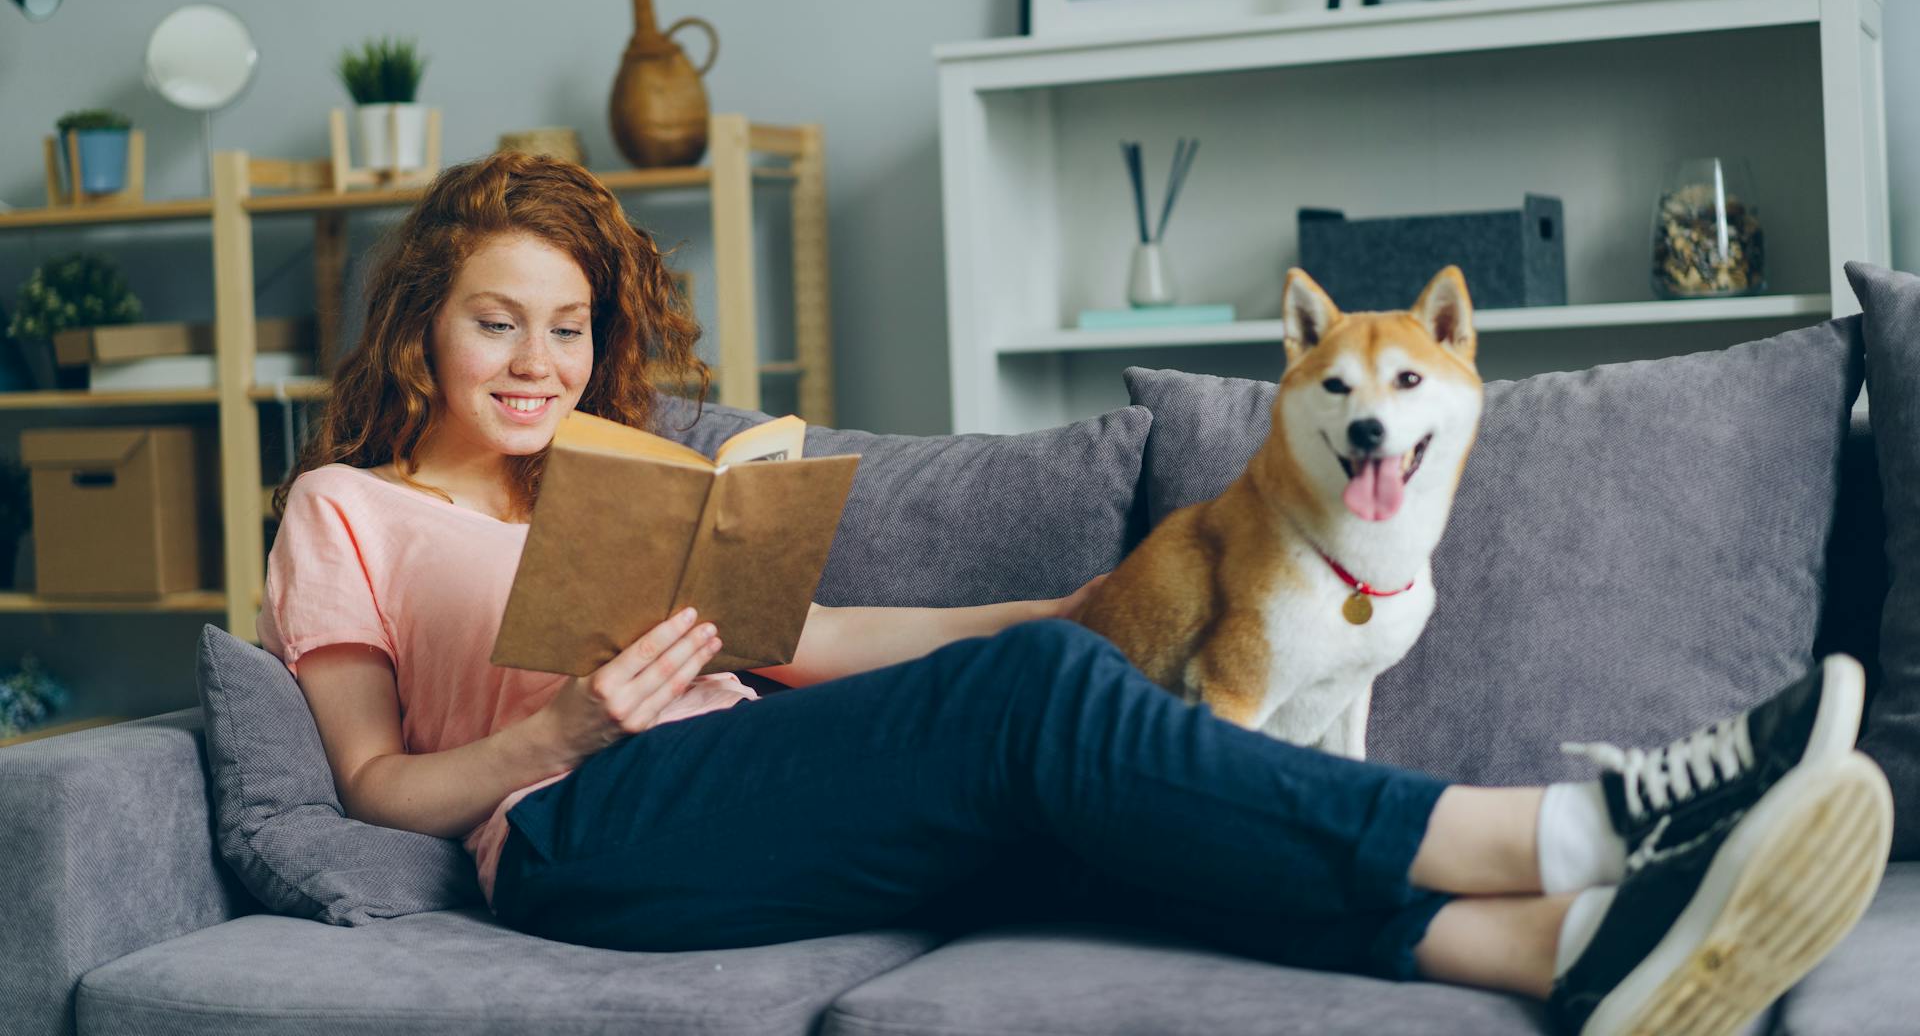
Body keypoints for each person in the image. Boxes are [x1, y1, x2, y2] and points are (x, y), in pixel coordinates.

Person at [259, 151, 1892, 1036]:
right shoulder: (347, 507)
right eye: (498, 321)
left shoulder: (626, 482)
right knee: (1047, 709)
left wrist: (1066, 609)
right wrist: (561, 726)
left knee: (1085, 762)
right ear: (424, 326)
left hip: (734, 776)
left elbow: (814, 646)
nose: (539, 361)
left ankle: (1574, 954)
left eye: (567, 327)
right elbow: (374, 784)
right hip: (571, 836)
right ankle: (1585, 826)